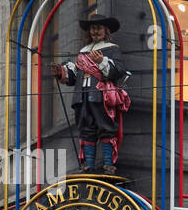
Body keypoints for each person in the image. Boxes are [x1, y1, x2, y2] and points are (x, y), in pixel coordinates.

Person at [50, 14, 130, 175]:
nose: (95, 31)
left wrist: (102, 62)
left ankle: (108, 164)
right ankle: (88, 165)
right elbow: (74, 76)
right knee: (86, 129)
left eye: (98, 28)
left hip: (101, 96)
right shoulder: (83, 52)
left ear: (105, 30)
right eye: (92, 28)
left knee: (106, 128)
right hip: (82, 96)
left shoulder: (111, 49)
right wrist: (62, 72)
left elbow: (118, 70)